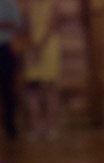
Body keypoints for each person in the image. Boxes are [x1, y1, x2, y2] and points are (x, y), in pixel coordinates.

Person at [23, 0, 61, 138]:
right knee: (32, 88)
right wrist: (33, 46)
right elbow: (26, 26)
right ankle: (36, 127)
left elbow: (52, 25)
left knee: (50, 88)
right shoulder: (29, 4)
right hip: (33, 47)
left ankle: (52, 127)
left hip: (48, 47)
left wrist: (39, 47)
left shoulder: (53, 3)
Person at [0, 0, 23, 139]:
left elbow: (17, 24)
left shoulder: (10, 4)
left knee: (8, 89)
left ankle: (10, 126)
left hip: (5, 48)